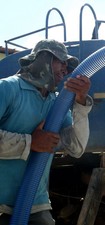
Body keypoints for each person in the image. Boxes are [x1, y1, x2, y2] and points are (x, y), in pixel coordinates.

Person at [0, 39, 93, 225]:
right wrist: (29, 142)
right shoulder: (7, 88)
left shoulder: (56, 102)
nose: (66, 70)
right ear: (43, 58)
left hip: (35, 204)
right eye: (61, 62)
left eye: (68, 65)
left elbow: (76, 148)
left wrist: (81, 103)